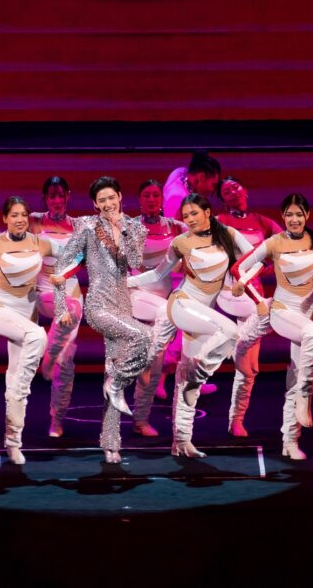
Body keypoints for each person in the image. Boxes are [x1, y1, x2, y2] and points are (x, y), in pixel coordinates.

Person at [0, 197, 77, 465]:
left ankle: (13, 442)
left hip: (27, 314)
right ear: (5, 219)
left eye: (23, 215)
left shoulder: (39, 242)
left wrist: (63, 275)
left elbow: (76, 255)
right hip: (1, 311)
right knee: (37, 338)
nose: (20, 219)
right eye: (14, 215)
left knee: (15, 378)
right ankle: (20, 389)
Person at [127, 193, 255, 458]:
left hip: (203, 313)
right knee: (229, 332)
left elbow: (256, 256)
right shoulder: (181, 241)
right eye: (185, 216)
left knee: (188, 381)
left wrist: (242, 279)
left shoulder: (227, 234)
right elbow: (157, 274)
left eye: (194, 213)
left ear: (207, 212)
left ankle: (181, 442)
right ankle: (190, 369)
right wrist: (124, 283)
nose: (190, 219)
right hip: (182, 304)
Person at [231, 193, 313, 460]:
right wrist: (254, 296)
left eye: (299, 214)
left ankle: (290, 441)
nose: (294, 219)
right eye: (289, 214)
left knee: (298, 374)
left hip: (308, 311)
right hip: (282, 309)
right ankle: (302, 397)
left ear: (307, 215)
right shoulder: (274, 242)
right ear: (282, 216)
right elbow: (239, 268)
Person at [52, 177, 151, 464]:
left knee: (113, 369)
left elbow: (135, 262)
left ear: (120, 196)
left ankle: (110, 444)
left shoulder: (135, 227)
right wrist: (60, 307)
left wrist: (122, 229)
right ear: (95, 204)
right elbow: (62, 264)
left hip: (123, 305)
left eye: (111, 198)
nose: (108, 204)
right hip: (98, 304)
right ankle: (117, 384)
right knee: (145, 336)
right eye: (102, 200)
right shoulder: (87, 226)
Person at [215, 175, 281, 437]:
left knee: (250, 367)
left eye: (235, 186)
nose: (232, 191)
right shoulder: (220, 221)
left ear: (245, 190)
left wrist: (269, 266)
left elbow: (287, 242)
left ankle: (237, 420)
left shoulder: (261, 221)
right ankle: (228, 344)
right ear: (222, 200)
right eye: (226, 191)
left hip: (257, 295)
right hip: (232, 293)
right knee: (246, 363)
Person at [160, 149, 222, 398]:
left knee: (197, 328)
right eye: (212, 184)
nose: (212, 190)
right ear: (200, 178)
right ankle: (161, 376)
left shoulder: (179, 174)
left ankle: (191, 378)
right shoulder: (179, 199)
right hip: (181, 270)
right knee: (186, 327)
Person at [129, 180, 187, 437]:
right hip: (138, 296)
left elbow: (200, 232)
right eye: (146, 195)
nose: (151, 199)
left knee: (154, 367)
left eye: (155, 195)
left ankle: (141, 420)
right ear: (139, 200)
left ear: (161, 199)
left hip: (162, 302)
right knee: (166, 312)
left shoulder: (175, 227)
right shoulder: (129, 227)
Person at [29, 176, 84, 438]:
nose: (57, 200)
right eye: (52, 196)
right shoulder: (35, 221)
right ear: (45, 199)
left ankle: (57, 418)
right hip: (45, 291)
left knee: (67, 359)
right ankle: (48, 357)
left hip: (70, 291)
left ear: (68, 196)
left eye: (61, 195)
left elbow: (81, 260)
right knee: (65, 309)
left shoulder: (78, 225)